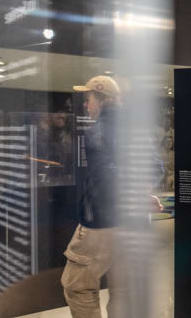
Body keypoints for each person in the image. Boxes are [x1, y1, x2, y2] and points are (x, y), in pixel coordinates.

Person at [61, 75, 128, 318]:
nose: (86, 105)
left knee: (76, 285)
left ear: (101, 98)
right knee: (122, 289)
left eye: (88, 99)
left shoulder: (98, 130)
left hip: (101, 221)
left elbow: (105, 176)